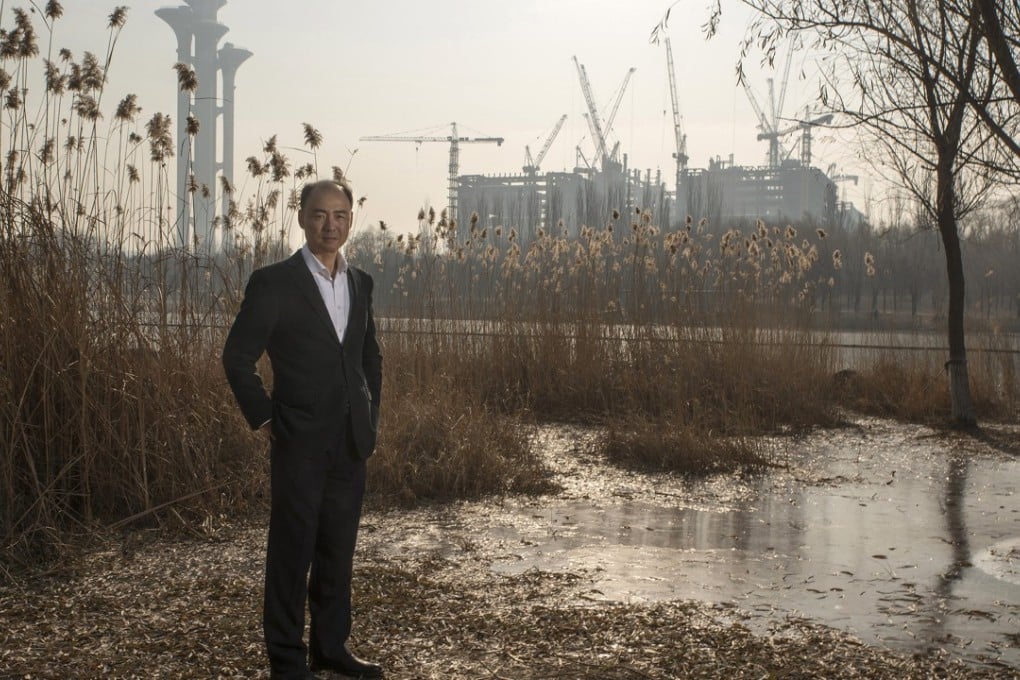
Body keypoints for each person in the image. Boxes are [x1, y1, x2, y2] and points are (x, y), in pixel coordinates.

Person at [222, 178, 384, 680]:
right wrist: (267, 418)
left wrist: (369, 415)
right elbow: (237, 358)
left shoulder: (360, 282)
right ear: (301, 217)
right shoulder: (274, 282)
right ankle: (287, 662)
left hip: (350, 441)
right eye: (319, 214)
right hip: (298, 440)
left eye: (339, 215)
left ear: (350, 220)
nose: (329, 225)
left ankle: (331, 648)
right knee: (293, 550)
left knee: (338, 548)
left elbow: (368, 357)